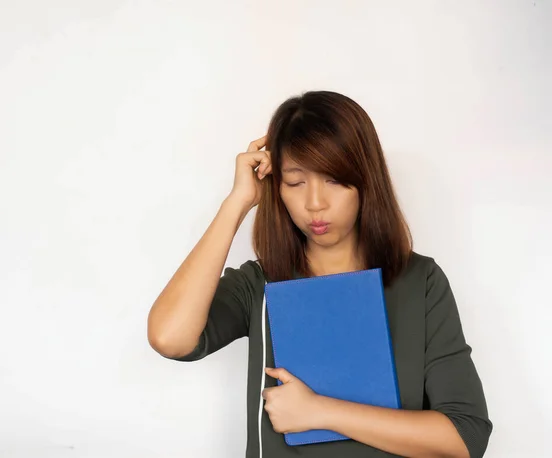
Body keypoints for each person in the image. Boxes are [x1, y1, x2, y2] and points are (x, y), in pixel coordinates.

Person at [147, 90, 492, 458]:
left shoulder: (419, 281)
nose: (315, 204)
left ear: (364, 181)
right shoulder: (260, 284)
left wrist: (319, 411)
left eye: (333, 180)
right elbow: (170, 338)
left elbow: (465, 436)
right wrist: (237, 202)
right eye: (295, 182)